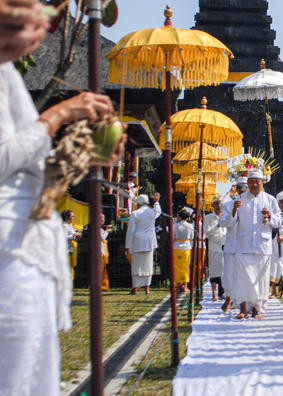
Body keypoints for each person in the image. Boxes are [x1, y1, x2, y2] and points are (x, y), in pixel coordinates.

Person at [0, 2, 121, 394]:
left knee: (35, 375)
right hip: (8, 249)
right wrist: (58, 115)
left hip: (27, 246)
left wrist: (86, 154)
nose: (48, 27)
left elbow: (27, 167)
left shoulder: (8, 75)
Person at [219, 169, 281, 319]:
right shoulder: (238, 200)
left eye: (257, 182)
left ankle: (256, 310)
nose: (255, 185)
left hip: (262, 246)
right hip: (243, 245)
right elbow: (226, 222)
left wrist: (270, 215)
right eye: (252, 182)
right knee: (243, 279)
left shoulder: (270, 199)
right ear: (247, 183)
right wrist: (234, 210)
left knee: (260, 280)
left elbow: (278, 221)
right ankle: (243, 309)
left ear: (262, 183)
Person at [218, 177, 249, 313]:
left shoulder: (252, 204)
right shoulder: (229, 205)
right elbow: (224, 223)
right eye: (240, 187)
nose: (243, 189)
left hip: (247, 246)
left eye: (245, 187)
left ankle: (245, 302)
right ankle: (229, 297)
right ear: (236, 188)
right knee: (229, 274)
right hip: (232, 244)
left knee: (245, 275)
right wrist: (234, 211)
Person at [125, 193, 161, 295]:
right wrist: (157, 202)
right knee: (148, 265)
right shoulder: (152, 212)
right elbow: (158, 211)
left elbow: (131, 230)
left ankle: (135, 288)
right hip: (149, 242)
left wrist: (128, 245)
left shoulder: (135, 214)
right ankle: (147, 288)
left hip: (138, 241)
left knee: (136, 265)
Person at [204, 194, 226, 300]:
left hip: (225, 246)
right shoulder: (208, 218)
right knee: (214, 269)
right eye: (216, 204)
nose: (218, 206)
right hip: (214, 246)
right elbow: (208, 233)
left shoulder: (226, 216)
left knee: (224, 270)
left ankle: (222, 292)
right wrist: (217, 226)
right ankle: (213, 292)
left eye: (220, 204)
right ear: (213, 205)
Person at [173, 208, 194, 293]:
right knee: (186, 266)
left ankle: (178, 286)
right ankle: (185, 286)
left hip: (177, 246)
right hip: (187, 246)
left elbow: (173, 236)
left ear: (180, 217)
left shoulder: (175, 226)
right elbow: (191, 237)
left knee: (177, 267)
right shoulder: (190, 226)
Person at [62, 209, 81, 281]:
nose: (73, 218)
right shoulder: (64, 226)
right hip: (66, 248)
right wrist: (74, 235)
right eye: (72, 216)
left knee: (71, 266)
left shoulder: (71, 226)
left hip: (71, 248)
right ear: (67, 217)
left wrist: (77, 236)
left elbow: (73, 238)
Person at [101, 213, 112, 291]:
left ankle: (104, 285)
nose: (103, 220)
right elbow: (102, 238)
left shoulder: (100, 229)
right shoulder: (96, 228)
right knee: (100, 269)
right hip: (99, 251)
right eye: (102, 218)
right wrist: (107, 230)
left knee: (103, 269)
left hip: (102, 251)